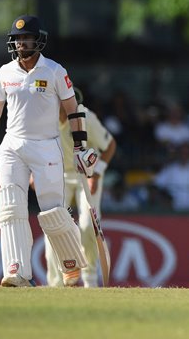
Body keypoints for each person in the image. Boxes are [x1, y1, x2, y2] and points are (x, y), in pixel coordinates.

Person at [0, 15, 98, 287]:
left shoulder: (54, 71)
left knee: (52, 210)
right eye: (17, 39)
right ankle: (17, 271)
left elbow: (73, 109)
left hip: (46, 146)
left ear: (38, 40)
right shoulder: (5, 72)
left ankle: (70, 264)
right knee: (10, 207)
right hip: (12, 146)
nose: (21, 43)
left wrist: (79, 147)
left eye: (26, 38)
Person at [44, 87, 116, 287]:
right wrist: (35, 174)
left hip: (87, 175)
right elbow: (36, 147)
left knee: (87, 225)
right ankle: (55, 283)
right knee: (55, 227)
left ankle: (90, 279)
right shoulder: (44, 119)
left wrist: (98, 173)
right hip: (58, 176)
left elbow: (109, 146)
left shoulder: (85, 117)